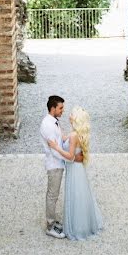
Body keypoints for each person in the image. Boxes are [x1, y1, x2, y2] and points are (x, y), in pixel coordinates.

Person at [48, 106, 103, 241]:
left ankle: (76, 228)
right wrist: (56, 126)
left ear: (76, 118)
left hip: (74, 169)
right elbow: (64, 137)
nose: (69, 115)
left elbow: (70, 156)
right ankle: (84, 224)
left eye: (72, 114)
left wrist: (56, 147)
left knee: (75, 195)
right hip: (78, 170)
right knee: (80, 195)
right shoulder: (77, 133)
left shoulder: (74, 135)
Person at [39, 95, 83, 239]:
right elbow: (53, 150)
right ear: (53, 108)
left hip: (58, 163)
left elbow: (61, 139)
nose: (62, 111)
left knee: (54, 194)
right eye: (60, 108)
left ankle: (53, 222)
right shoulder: (47, 125)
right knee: (52, 195)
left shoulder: (54, 122)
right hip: (54, 165)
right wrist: (70, 158)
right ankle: (50, 227)